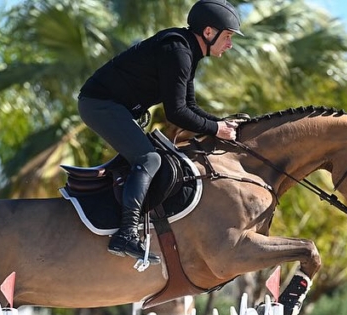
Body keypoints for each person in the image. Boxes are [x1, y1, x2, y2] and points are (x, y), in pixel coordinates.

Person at [78, 0, 242, 263]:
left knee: (154, 157)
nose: (230, 44)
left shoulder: (188, 50)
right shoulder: (178, 49)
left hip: (113, 106)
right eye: (228, 36)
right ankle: (125, 234)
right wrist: (215, 128)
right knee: (149, 159)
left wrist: (223, 124)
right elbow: (176, 113)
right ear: (209, 32)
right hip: (99, 104)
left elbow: (190, 106)